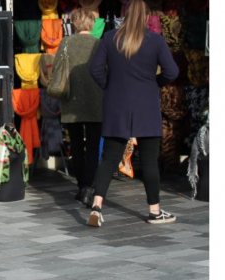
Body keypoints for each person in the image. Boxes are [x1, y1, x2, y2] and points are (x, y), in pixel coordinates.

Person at [88, 0, 179, 227]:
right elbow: (172, 71)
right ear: (147, 17)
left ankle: (96, 206)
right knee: (149, 161)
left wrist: (108, 86)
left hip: (116, 104)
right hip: (146, 105)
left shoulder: (110, 38)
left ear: (124, 14)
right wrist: (156, 82)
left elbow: (94, 68)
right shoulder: (156, 41)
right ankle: (155, 212)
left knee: (108, 158)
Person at [55, 8, 103, 206]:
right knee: (92, 145)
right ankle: (89, 187)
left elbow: (57, 69)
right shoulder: (99, 44)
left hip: (71, 100)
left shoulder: (66, 43)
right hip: (96, 100)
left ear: (74, 23)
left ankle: (81, 185)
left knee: (75, 144)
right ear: (92, 23)